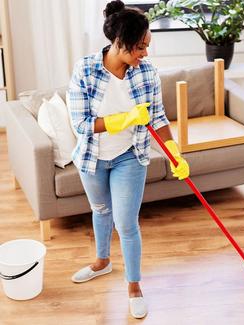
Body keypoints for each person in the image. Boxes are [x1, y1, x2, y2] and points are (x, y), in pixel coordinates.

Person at [67, 0, 189, 319]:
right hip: (93, 157)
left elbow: (158, 117)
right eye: (140, 47)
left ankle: (134, 286)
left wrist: (173, 152)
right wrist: (122, 119)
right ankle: (102, 262)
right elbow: (80, 124)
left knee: (127, 223)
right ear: (119, 41)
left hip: (129, 156)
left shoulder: (147, 71)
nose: (145, 54)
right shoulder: (86, 69)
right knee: (101, 210)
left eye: (147, 46)